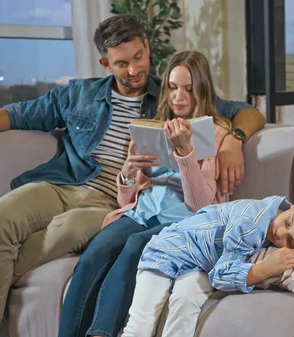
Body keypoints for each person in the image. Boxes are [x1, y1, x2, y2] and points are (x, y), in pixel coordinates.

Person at [0, 15, 265, 337]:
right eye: (122, 63)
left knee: (63, 232)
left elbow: (239, 113)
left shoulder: (169, 96)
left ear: (147, 47)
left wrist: (235, 141)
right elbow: (18, 114)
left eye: (139, 57)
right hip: (66, 183)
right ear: (105, 64)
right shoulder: (80, 94)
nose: (134, 70)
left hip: (109, 202)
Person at [58, 49, 234, 337]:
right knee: (94, 254)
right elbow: (126, 200)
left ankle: (100, 333)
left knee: (134, 248)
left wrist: (186, 152)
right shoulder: (155, 126)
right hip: (142, 214)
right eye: (173, 87)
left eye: (188, 89)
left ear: (202, 91)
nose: (178, 96)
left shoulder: (214, 134)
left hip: (180, 223)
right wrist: (128, 171)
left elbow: (200, 206)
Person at [121, 195, 294, 337]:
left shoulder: (287, 219)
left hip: (200, 264)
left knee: (186, 303)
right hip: (169, 251)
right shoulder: (251, 224)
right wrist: (265, 269)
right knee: (142, 321)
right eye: (288, 222)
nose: (280, 234)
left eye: (291, 241)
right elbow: (221, 275)